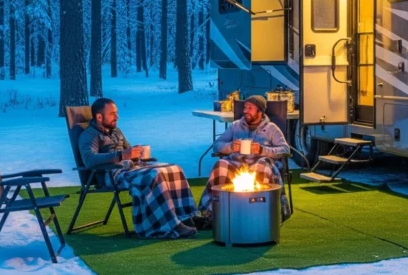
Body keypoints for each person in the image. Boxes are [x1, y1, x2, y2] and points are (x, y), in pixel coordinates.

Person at [78, 98, 201, 239]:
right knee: (153, 174)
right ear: (99, 117)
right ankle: (170, 225)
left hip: (131, 168)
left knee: (173, 169)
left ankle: (186, 216)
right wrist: (121, 155)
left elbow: (127, 150)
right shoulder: (90, 135)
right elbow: (89, 159)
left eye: (116, 113)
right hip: (112, 174)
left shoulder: (116, 131)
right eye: (112, 114)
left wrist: (135, 153)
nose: (117, 117)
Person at [199, 95, 291, 225]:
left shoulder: (271, 128)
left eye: (250, 108)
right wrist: (230, 147)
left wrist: (262, 150)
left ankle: (263, 212)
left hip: (260, 163)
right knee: (220, 165)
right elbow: (217, 145)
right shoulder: (236, 126)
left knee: (262, 166)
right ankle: (211, 212)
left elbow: (285, 150)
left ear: (260, 111)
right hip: (237, 164)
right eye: (245, 107)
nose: (245, 111)